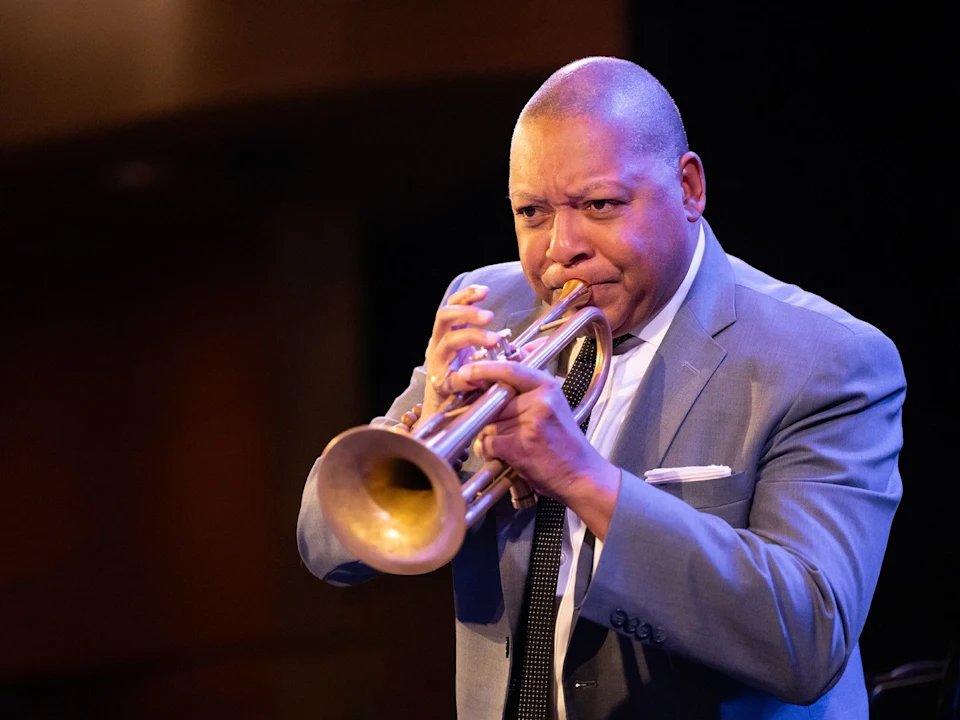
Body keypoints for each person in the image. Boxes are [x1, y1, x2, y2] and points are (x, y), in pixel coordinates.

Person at [297, 56, 905, 719]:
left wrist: (581, 477)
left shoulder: (826, 358)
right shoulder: (488, 308)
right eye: (532, 212)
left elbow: (807, 639)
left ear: (689, 188)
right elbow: (327, 547)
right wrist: (430, 428)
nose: (562, 247)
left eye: (600, 205)